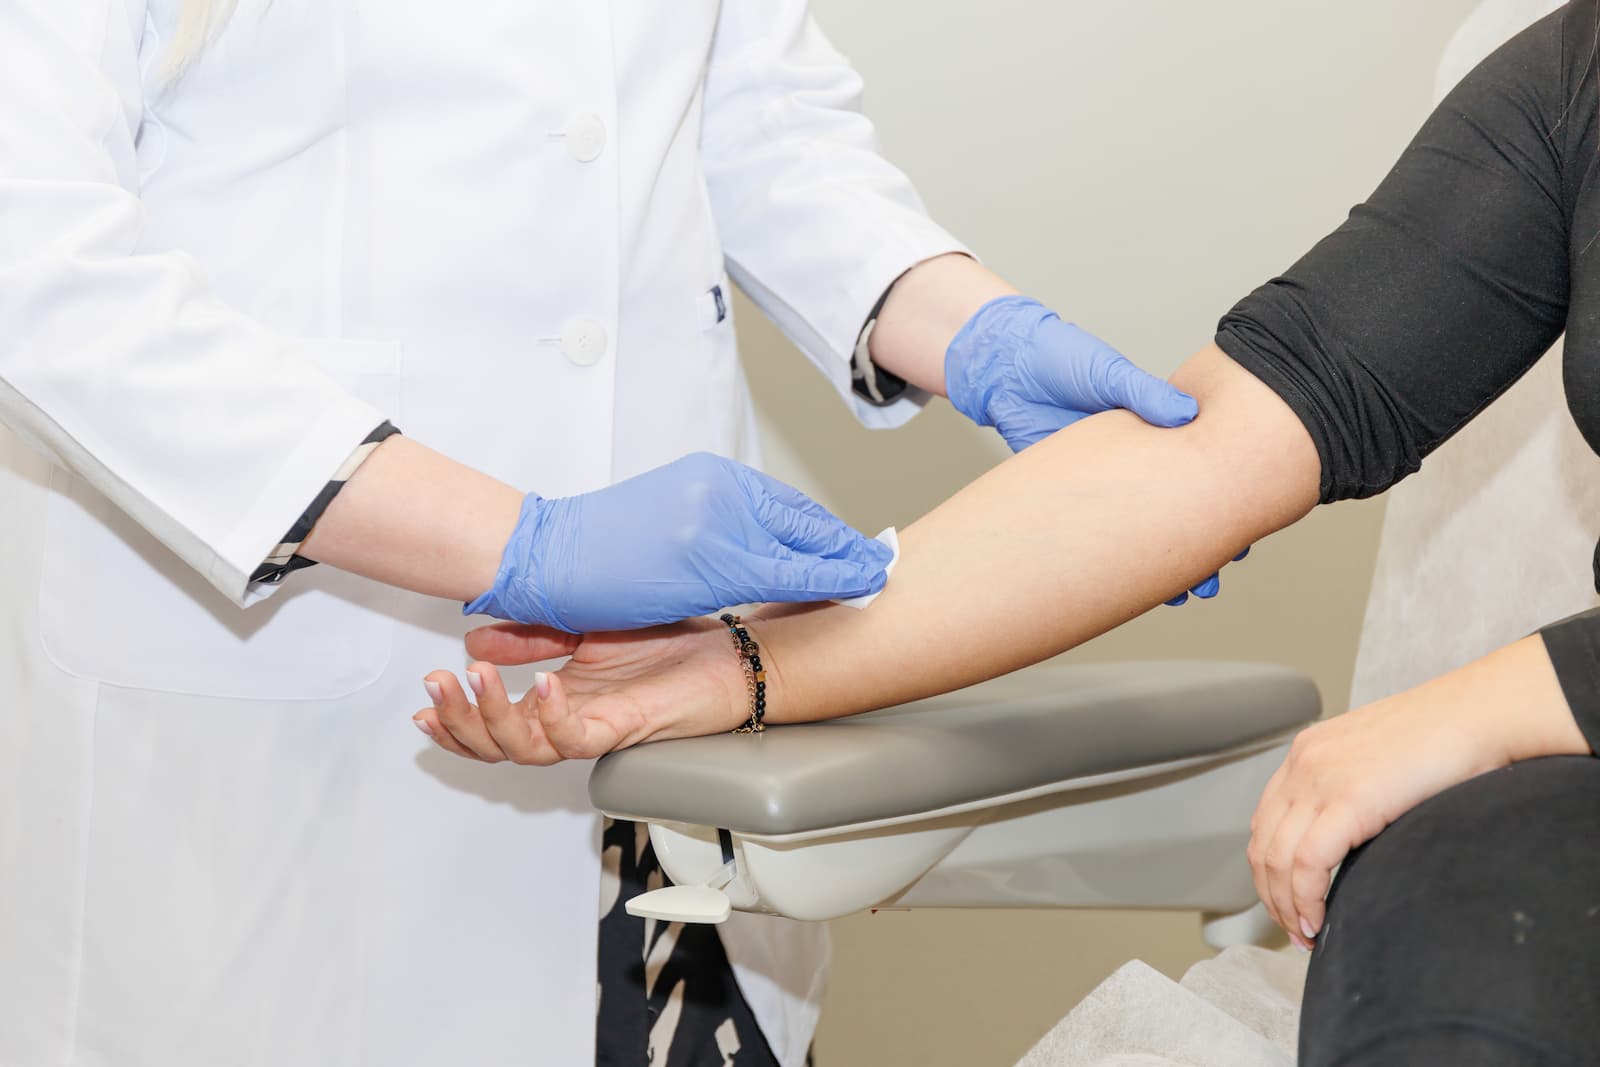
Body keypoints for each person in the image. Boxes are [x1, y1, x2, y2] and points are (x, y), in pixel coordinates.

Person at [0, 2, 1219, 1065]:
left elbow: (757, 118)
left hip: (673, 685)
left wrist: (968, 329)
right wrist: (520, 542)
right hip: (280, 690)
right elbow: (32, 245)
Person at [418, 4, 1600, 1062]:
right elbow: (1210, 452)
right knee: (1457, 919)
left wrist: (1501, 701)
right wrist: (741, 662)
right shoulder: (1572, 73)